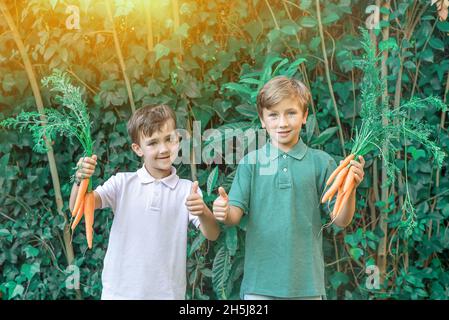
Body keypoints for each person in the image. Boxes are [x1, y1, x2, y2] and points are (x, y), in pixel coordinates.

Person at [212, 76, 365, 300]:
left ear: (304, 116)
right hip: (259, 287)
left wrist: (349, 187)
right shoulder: (251, 163)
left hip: (307, 287)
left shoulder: (322, 163)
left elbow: (341, 220)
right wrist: (223, 211)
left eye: (291, 113)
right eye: (273, 115)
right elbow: (234, 215)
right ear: (262, 120)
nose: (282, 123)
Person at [69, 104, 220, 300]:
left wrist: (203, 212)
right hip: (119, 294)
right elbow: (77, 207)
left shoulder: (187, 190)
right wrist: (80, 179)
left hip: (167, 295)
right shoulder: (122, 183)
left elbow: (213, 233)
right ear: (138, 149)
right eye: (153, 143)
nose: (164, 149)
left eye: (169, 139)